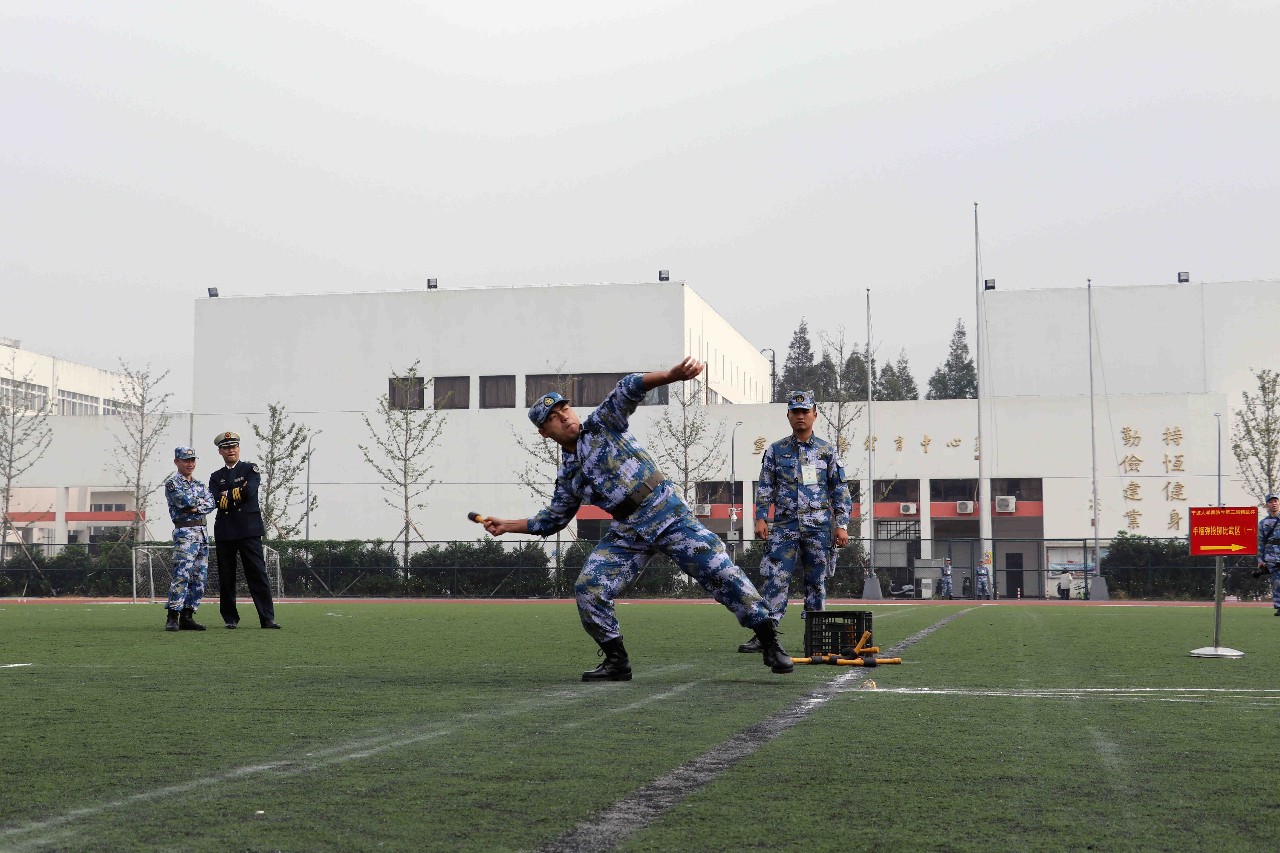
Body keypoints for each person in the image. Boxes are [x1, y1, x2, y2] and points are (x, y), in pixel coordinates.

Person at [480, 358, 793, 680]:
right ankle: (617, 661)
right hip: (629, 530)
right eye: (553, 418)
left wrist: (669, 376)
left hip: (666, 511)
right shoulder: (569, 474)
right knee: (590, 587)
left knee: (721, 572)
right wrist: (508, 525)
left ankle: (770, 642)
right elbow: (553, 519)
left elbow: (627, 388)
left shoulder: (602, 425)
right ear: (544, 432)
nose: (563, 417)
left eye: (565, 409)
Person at [737, 390, 851, 653]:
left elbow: (839, 490)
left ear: (814, 415)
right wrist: (761, 518)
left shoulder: (826, 451)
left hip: (818, 526)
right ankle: (765, 635)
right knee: (775, 578)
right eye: (795, 412)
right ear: (788, 415)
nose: (800, 416)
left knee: (816, 581)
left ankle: (815, 637)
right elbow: (765, 486)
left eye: (805, 411)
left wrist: (841, 524)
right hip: (785, 526)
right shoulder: (776, 450)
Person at [209, 431, 280, 629]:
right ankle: (230, 618)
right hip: (225, 531)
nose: (231, 450)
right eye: (226, 447)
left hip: (249, 530)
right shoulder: (215, 476)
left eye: (234, 446)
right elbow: (215, 501)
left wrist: (227, 494)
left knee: (258, 574)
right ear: (220, 451)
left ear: (238, 448)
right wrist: (236, 493)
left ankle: (267, 618)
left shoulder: (251, 469)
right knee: (226, 577)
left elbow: (249, 492)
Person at [163, 446, 216, 632]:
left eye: (193, 460)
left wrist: (197, 506)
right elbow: (185, 503)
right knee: (182, 575)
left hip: (202, 535)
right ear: (177, 461)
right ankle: (172, 616)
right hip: (185, 534)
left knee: (199, 577)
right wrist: (198, 504)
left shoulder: (200, 485)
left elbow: (212, 503)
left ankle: (188, 615)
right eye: (186, 460)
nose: (190, 463)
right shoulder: (173, 484)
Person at [1256, 493, 1280, 616]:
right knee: (1276, 582)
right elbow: (1260, 542)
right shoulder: (1263, 523)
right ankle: (1279, 606)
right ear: (1267, 505)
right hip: (1271, 556)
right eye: (1270, 502)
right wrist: (1260, 559)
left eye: (1275, 501)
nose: (1274, 503)